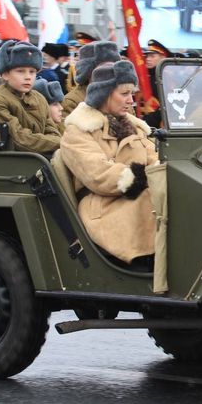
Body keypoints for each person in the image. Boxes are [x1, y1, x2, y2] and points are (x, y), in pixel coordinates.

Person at [61, 60, 160, 266]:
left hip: (139, 194)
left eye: (131, 94)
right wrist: (146, 177)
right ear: (104, 93)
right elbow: (99, 175)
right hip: (103, 206)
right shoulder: (79, 130)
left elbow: (155, 158)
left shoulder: (133, 126)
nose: (131, 100)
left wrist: (163, 173)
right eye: (124, 94)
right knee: (158, 201)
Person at [0, 40, 62, 154]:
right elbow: (18, 141)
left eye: (32, 72)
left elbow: (52, 132)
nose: (28, 77)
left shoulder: (39, 98)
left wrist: (58, 142)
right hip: (11, 163)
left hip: (37, 158)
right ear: (5, 74)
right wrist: (61, 143)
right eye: (20, 71)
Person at [63, 41, 121, 118]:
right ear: (89, 72)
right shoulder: (72, 101)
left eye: (113, 68)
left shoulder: (121, 98)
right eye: (104, 68)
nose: (110, 72)